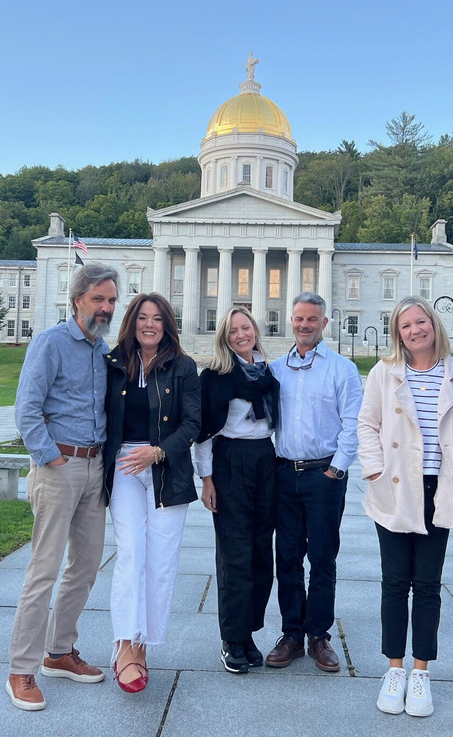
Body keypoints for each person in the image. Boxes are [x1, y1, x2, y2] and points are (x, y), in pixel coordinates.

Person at [6, 263, 119, 711]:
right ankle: (21, 669)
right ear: (78, 301)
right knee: (44, 570)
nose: (106, 308)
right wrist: (50, 457)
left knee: (86, 566)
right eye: (98, 300)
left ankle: (59, 652)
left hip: (94, 469)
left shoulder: (101, 350)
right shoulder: (50, 343)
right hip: (59, 466)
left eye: (111, 300)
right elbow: (27, 410)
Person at [357, 296, 453, 717]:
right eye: (406, 326)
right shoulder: (385, 373)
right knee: (393, 582)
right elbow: (368, 422)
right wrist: (373, 469)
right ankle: (395, 668)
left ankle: (421, 671)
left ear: (434, 324)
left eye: (421, 322)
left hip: (438, 488)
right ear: (397, 334)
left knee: (428, 584)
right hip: (395, 487)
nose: (415, 330)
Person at [102, 293, 200, 693]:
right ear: (131, 321)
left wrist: (158, 451)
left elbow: (193, 422)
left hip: (166, 469)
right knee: (130, 553)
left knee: (160, 561)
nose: (149, 324)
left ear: (167, 325)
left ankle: (143, 645)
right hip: (126, 465)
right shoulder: (112, 363)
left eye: (157, 319)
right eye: (142, 317)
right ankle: (124, 644)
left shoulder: (183, 366)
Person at [266, 292, 362, 673]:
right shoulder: (275, 369)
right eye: (298, 319)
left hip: (325, 475)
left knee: (322, 557)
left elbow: (353, 423)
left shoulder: (342, 369)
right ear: (291, 321)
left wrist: (336, 469)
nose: (304, 325)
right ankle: (291, 632)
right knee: (287, 557)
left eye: (312, 319)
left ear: (324, 323)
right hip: (284, 474)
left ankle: (319, 634)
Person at [196, 307, 280, 674]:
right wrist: (207, 479)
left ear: (255, 330)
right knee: (235, 553)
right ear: (225, 337)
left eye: (245, 327)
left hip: (265, 459)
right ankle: (231, 638)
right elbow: (203, 432)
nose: (241, 335)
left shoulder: (269, 373)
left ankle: (248, 633)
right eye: (233, 331)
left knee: (262, 552)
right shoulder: (216, 376)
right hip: (230, 461)